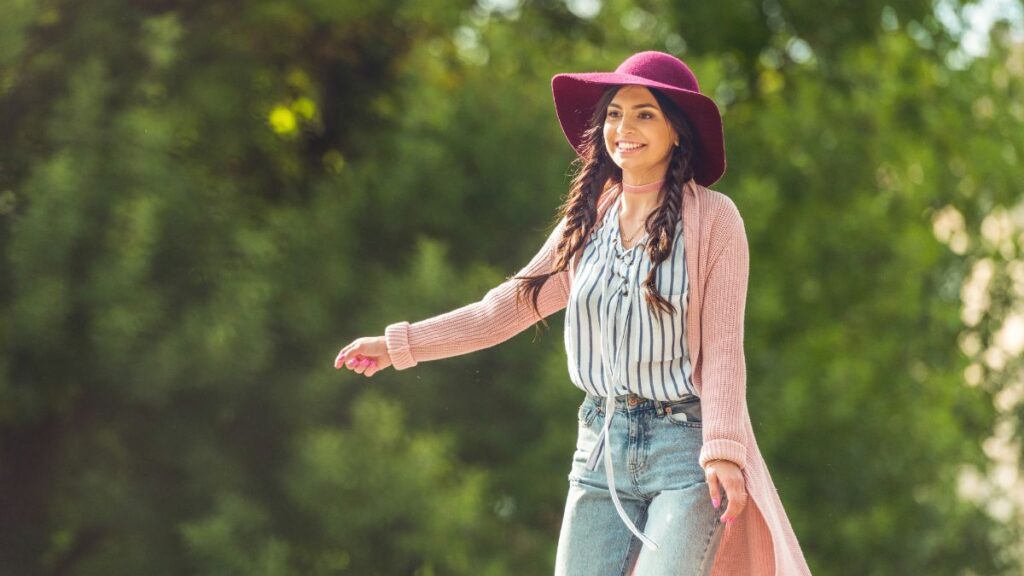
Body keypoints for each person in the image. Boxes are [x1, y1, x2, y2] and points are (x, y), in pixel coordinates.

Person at [334, 51, 811, 576]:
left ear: (677, 131)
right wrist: (399, 345)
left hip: (684, 450)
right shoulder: (589, 219)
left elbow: (722, 349)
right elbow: (505, 308)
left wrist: (723, 449)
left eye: (644, 113)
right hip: (599, 447)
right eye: (613, 113)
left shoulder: (715, 222)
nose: (623, 127)